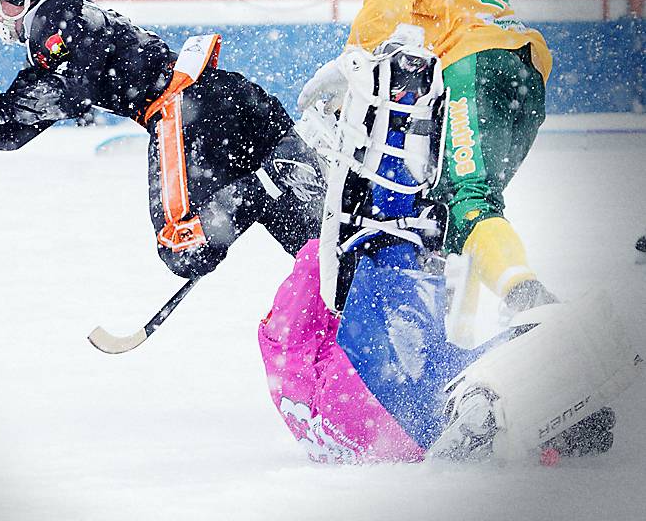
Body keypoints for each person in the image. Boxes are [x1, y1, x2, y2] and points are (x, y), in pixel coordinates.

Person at [262, 25, 631, 464]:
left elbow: (305, 321)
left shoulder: (302, 402)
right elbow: (318, 285)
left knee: (437, 371)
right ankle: (401, 94)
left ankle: (544, 425)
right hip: (367, 390)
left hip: (382, 429)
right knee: (387, 246)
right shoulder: (286, 351)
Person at [0, 0, 324, 279]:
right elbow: (18, 128)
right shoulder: (71, 19)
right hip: (231, 99)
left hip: (184, 112)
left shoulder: (54, 21)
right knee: (321, 241)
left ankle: (258, 187)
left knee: (184, 251)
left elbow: (52, 98)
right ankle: (279, 190)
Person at [299, 0, 556, 334]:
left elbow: (386, 7)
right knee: (459, 208)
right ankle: (473, 326)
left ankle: (530, 301)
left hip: (473, 65)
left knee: (467, 200)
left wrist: (348, 66)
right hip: (525, 72)